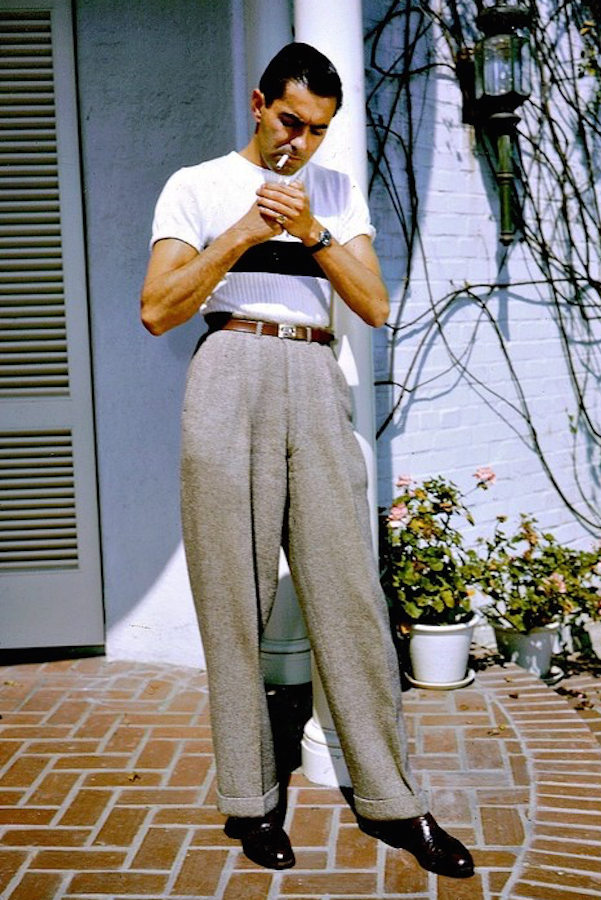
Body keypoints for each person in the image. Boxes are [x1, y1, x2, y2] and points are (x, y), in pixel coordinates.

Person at [141, 42, 474, 879]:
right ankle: (251, 801)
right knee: (232, 598)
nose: (301, 142)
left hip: (312, 370)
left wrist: (313, 230)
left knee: (350, 596)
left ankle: (392, 802)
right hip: (229, 368)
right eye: (291, 121)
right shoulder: (196, 184)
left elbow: (371, 303)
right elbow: (156, 308)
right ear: (258, 103)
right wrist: (245, 230)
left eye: (318, 130)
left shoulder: (334, 190)